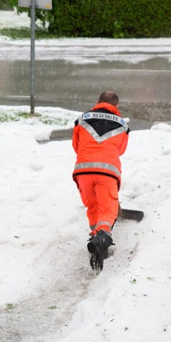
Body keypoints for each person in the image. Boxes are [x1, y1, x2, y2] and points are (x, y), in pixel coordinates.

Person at [72, 91, 130, 271]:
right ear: (116, 106)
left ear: (97, 102)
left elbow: (76, 145)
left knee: (93, 206)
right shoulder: (122, 125)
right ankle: (102, 237)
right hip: (107, 172)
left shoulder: (82, 120)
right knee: (106, 209)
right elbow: (120, 150)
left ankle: (94, 236)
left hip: (84, 171)